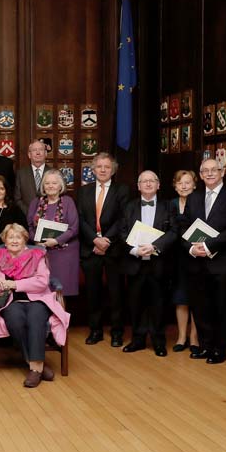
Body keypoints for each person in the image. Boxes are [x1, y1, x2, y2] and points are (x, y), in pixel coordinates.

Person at [0, 223, 70, 388]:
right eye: (10, 237)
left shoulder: (37, 255)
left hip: (37, 299)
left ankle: (35, 370)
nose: (14, 241)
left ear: (24, 239)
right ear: (5, 240)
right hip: (10, 301)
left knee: (35, 318)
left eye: (18, 237)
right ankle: (37, 367)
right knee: (15, 319)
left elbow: (42, 282)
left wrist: (15, 285)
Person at [182, 158, 226, 364]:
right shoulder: (194, 198)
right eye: (205, 171)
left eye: (214, 170)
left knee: (221, 307)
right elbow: (184, 227)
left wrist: (209, 247)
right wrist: (191, 248)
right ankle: (205, 345)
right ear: (200, 175)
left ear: (222, 172)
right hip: (197, 262)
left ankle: (220, 348)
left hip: (222, 263)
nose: (209, 174)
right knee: (200, 307)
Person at [120, 171, 178, 357]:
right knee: (135, 303)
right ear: (138, 186)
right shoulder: (129, 207)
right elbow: (121, 232)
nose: (147, 184)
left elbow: (174, 232)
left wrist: (155, 246)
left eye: (151, 181)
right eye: (143, 181)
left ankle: (158, 341)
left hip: (158, 263)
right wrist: (134, 250)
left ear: (158, 185)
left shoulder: (168, 206)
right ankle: (137, 340)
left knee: (158, 304)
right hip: (135, 262)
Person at [77, 152, 130, 347]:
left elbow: (123, 218)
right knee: (93, 293)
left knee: (116, 293)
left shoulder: (122, 190)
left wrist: (106, 240)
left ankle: (117, 332)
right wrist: (94, 240)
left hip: (113, 249)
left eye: (107, 167)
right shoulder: (84, 191)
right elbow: (80, 219)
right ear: (93, 169)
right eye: (99, 166)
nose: (103, 170)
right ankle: (95, 330)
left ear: (113, 170)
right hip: (90, 249)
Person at [27, 169, 80, 297]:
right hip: (42, 253)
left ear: (61, 186)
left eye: (54, 183)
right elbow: (29, 226)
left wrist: (56, 241)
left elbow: (74, 228)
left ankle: (62, 316)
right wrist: (36, 240)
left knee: (62, 292)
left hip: (65, 254)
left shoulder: (68, 201)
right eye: (47, 183)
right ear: (43, 186)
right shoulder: (36, 202)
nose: (50, 186)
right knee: (44, 292)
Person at [170, 169, 199, 353]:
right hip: (175, 257)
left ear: (195, 185)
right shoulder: (169, 205)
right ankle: (181, 336)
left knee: (196, 297)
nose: (184, 186)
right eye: (180, 183)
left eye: (188, 182)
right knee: (180, 298)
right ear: (175, 185)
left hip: (196, 256)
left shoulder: (201, 203)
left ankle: (194, 338)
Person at [14, 140, 52, 214]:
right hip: (26, 218)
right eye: (34, 150)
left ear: (46, 153)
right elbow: (17, 199)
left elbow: (60, 198)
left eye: (41, 150)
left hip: (49, 219)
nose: (38, 153)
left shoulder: (54, 173)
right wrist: (30, 213)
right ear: (29, 155)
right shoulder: (20, 174)